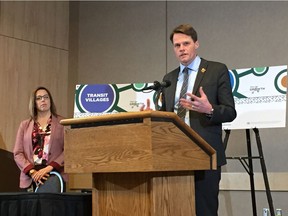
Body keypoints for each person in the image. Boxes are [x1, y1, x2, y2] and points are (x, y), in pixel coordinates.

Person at [141, 24, 237, 215]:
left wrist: (209, 109)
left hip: (205, 152)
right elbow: (167, 117)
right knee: (175, 209)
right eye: (177, 45)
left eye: (186, 43)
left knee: (205, 210)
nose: (182, 49)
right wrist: (152, 116)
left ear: (196, 44)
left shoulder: (216, 70)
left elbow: (230, 112)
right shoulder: (169, 78)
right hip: (174, 154)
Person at [13, 86, 67, 192]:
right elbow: (17, 153)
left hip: (53, 175)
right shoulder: (24, 125)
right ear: (34, 102)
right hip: (30, 177)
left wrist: (48, 169)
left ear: (50, 101)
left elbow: (68, 150)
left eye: (46, 97)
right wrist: (33, 172)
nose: (43, 100)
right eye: (39, 98)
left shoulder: (63, 123)